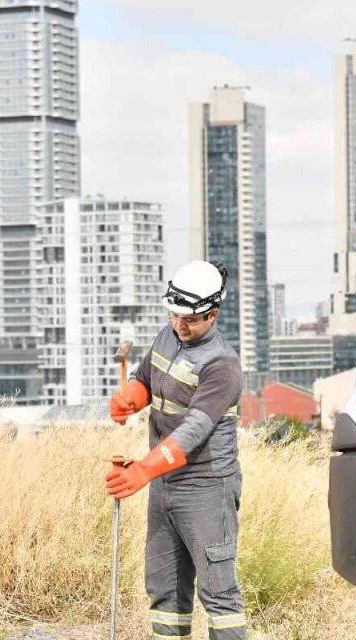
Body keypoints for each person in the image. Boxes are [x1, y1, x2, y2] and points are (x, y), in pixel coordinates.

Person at [105, 259, 247, 640]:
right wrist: (130, 400)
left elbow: (193, 431)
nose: (179, 325)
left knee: (218, 593)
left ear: (212, 314)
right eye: (174, 314)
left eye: (190, 319)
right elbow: (144, 378)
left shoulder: (222, 364)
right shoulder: (167, 337)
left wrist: (141, 471)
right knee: (165, 587)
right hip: (165, 484)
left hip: (206, 486)